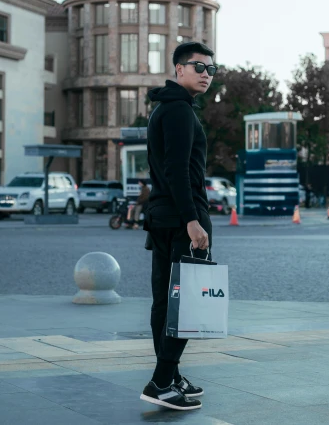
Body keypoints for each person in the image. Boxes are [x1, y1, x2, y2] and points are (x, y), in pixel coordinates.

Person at [139, 41, 216, 411]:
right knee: (186, 305)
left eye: (211, 70)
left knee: (165, 302)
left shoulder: (162, 110)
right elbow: (178, 171)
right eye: (198, 67)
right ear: (179, 69)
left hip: (161, 217)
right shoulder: (181, 112)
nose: (206, 75)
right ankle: (161, 381)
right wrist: (192, 221)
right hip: (183, 219)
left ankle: (170, 375)